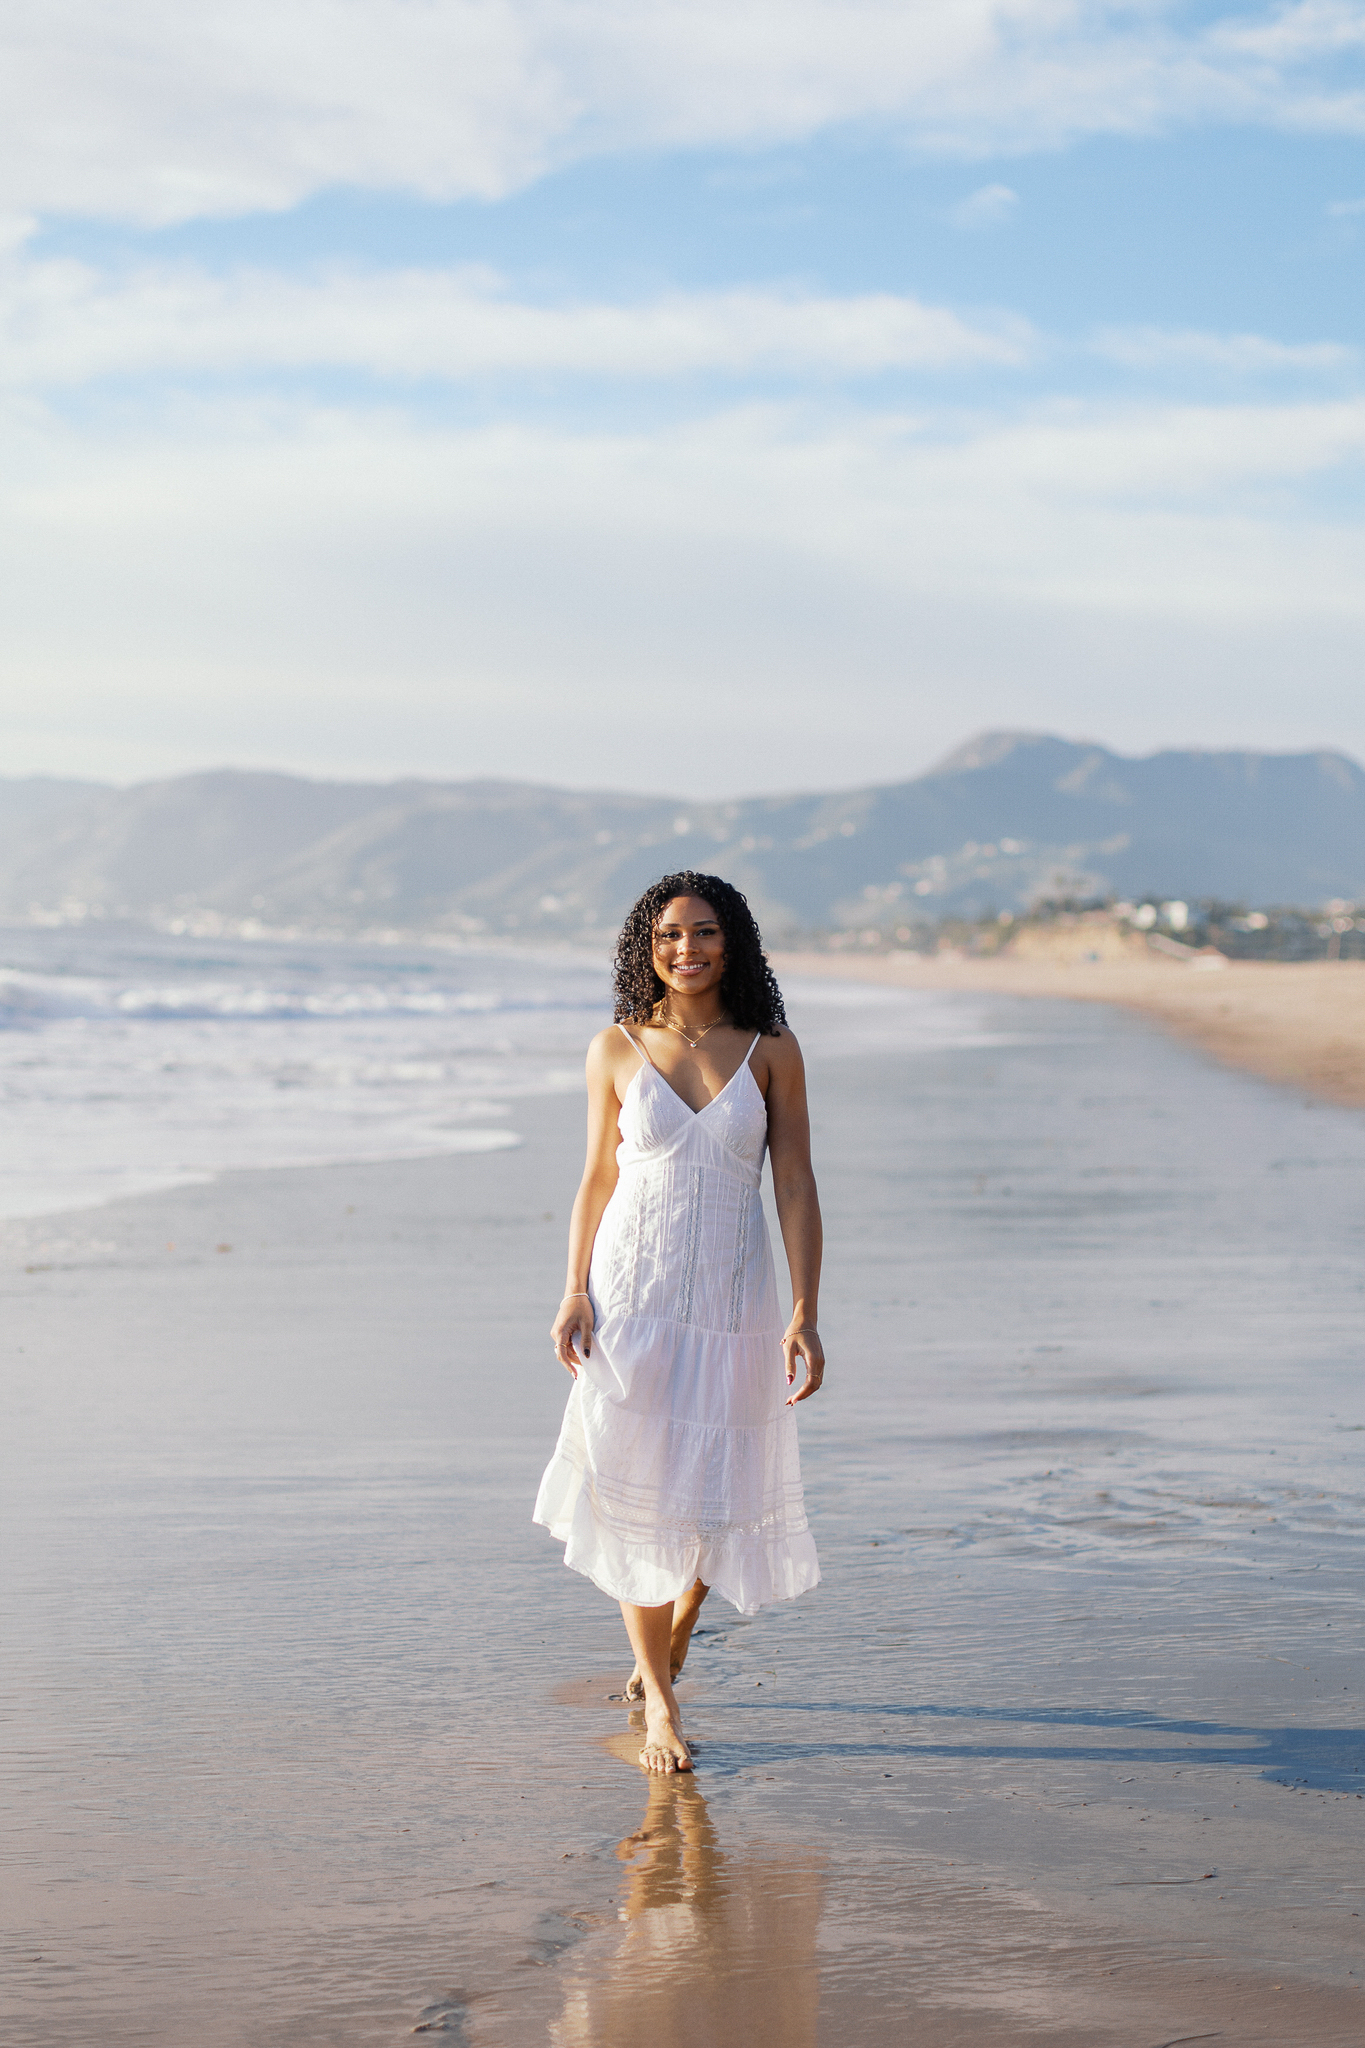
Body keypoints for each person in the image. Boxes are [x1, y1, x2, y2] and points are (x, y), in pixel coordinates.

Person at [533, 872, 825, 1775]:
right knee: (638, 1496)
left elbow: (795, 1183)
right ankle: (661, 1704)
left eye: (702, 933)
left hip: (733, 1303)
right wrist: (574, 1288)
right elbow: (595, 1178)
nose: (685, 950)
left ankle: (678, 1624)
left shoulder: (771, 1049)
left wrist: (805, 1310)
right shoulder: (615, 1048)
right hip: (635, 1297)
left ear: (730, 942)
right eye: (667, 935)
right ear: (645, 945)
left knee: (712, 1499)